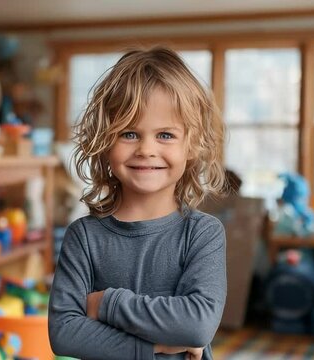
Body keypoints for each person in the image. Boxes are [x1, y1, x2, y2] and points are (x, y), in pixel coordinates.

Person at [49, 46, 227, 360]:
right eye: (129, 133)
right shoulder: (83, 236)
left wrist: (106, 304)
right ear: (104, 142)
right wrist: (153, 345)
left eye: (166, 135)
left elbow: (197, 324)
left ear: (192, 145)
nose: (146, 149)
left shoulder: (203, 233)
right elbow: (64, 333)